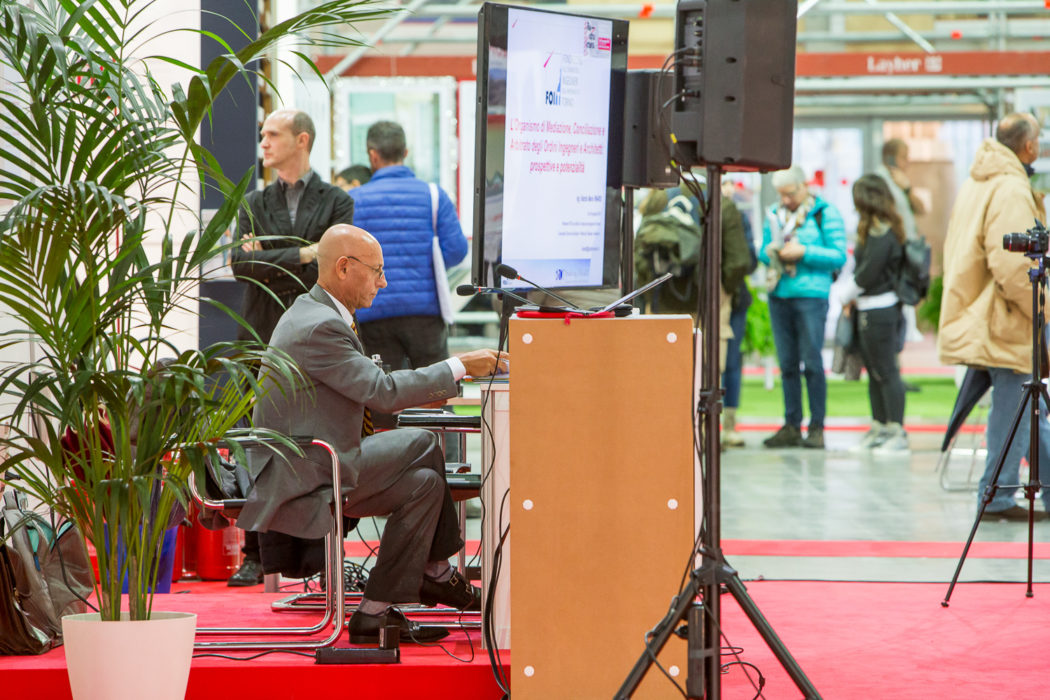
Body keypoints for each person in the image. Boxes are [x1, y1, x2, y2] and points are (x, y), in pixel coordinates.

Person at [241, 224, 508, 643]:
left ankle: (374, 612)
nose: (383, 282)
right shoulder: (320, 326)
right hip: (306, 470)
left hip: (318, 457)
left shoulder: (316, 313)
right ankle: (437, 573)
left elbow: (371, 389)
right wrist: (459, 366)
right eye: (377, 271)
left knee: (424, 484)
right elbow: (381, 391)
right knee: (422, 442)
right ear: (344, 268)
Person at [227, 109, 355, 586]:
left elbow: (336, 267)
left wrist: (274, 257)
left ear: (302, 140)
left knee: (320, 442)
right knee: (255, 444)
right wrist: (304, 252)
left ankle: (321, 556)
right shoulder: (253, 203)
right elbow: (241, 265)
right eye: (262, 134)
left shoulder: (337, 200)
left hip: (318, 335)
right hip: (260, 334)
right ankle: (254, 553)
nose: (263, 141)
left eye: (272, 134)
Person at [939, 112, 1050, 522]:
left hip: (983, 310)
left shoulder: (979, 181)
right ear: (1029, 146)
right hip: (1005, 315)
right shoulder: (1010, 188)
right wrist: (1043, 310)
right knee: (1017, 406)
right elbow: (1012, 265)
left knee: (1027, 409)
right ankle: (997, 496)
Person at [349, 120, 468, 371]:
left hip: (373, 312)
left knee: (383, 387)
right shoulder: (434, 195)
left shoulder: (354, 200)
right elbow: (457, 250)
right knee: (435, 384)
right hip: (425, 313)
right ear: (405, 152)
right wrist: (426, 267)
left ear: (372, 155)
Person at [759, 165, 848, 449]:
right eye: (781, 195)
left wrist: (804, 251)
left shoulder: (825, 213)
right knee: (787, 364)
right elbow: (762, 250)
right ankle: (792, 425)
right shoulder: (774, 214)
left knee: (812, 363)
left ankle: (817, 427)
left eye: (790, 194)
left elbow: (838, 255)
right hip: (780, 293)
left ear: (804, 186)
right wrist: (772, 252)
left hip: (812, 296)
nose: (786, 200)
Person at [841, 175, 908, 454]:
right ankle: (880, 427)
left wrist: (845, 294)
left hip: (881, 310)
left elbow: (868, 272)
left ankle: (896, 431)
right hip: (869, 309)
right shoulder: (878, 229)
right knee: (875, 372)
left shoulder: (883, 232)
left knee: (887, 372)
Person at [875, 138, 926, 380]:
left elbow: (921, 209)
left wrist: (907, 189)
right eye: (904, 157)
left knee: (903, 312)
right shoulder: (880, 181)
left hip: (906, 255)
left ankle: (896, 373)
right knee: (895, 312)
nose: (908, 162)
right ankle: (892, 373)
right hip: (892, 257)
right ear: (892, 157)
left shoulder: (900, 182)